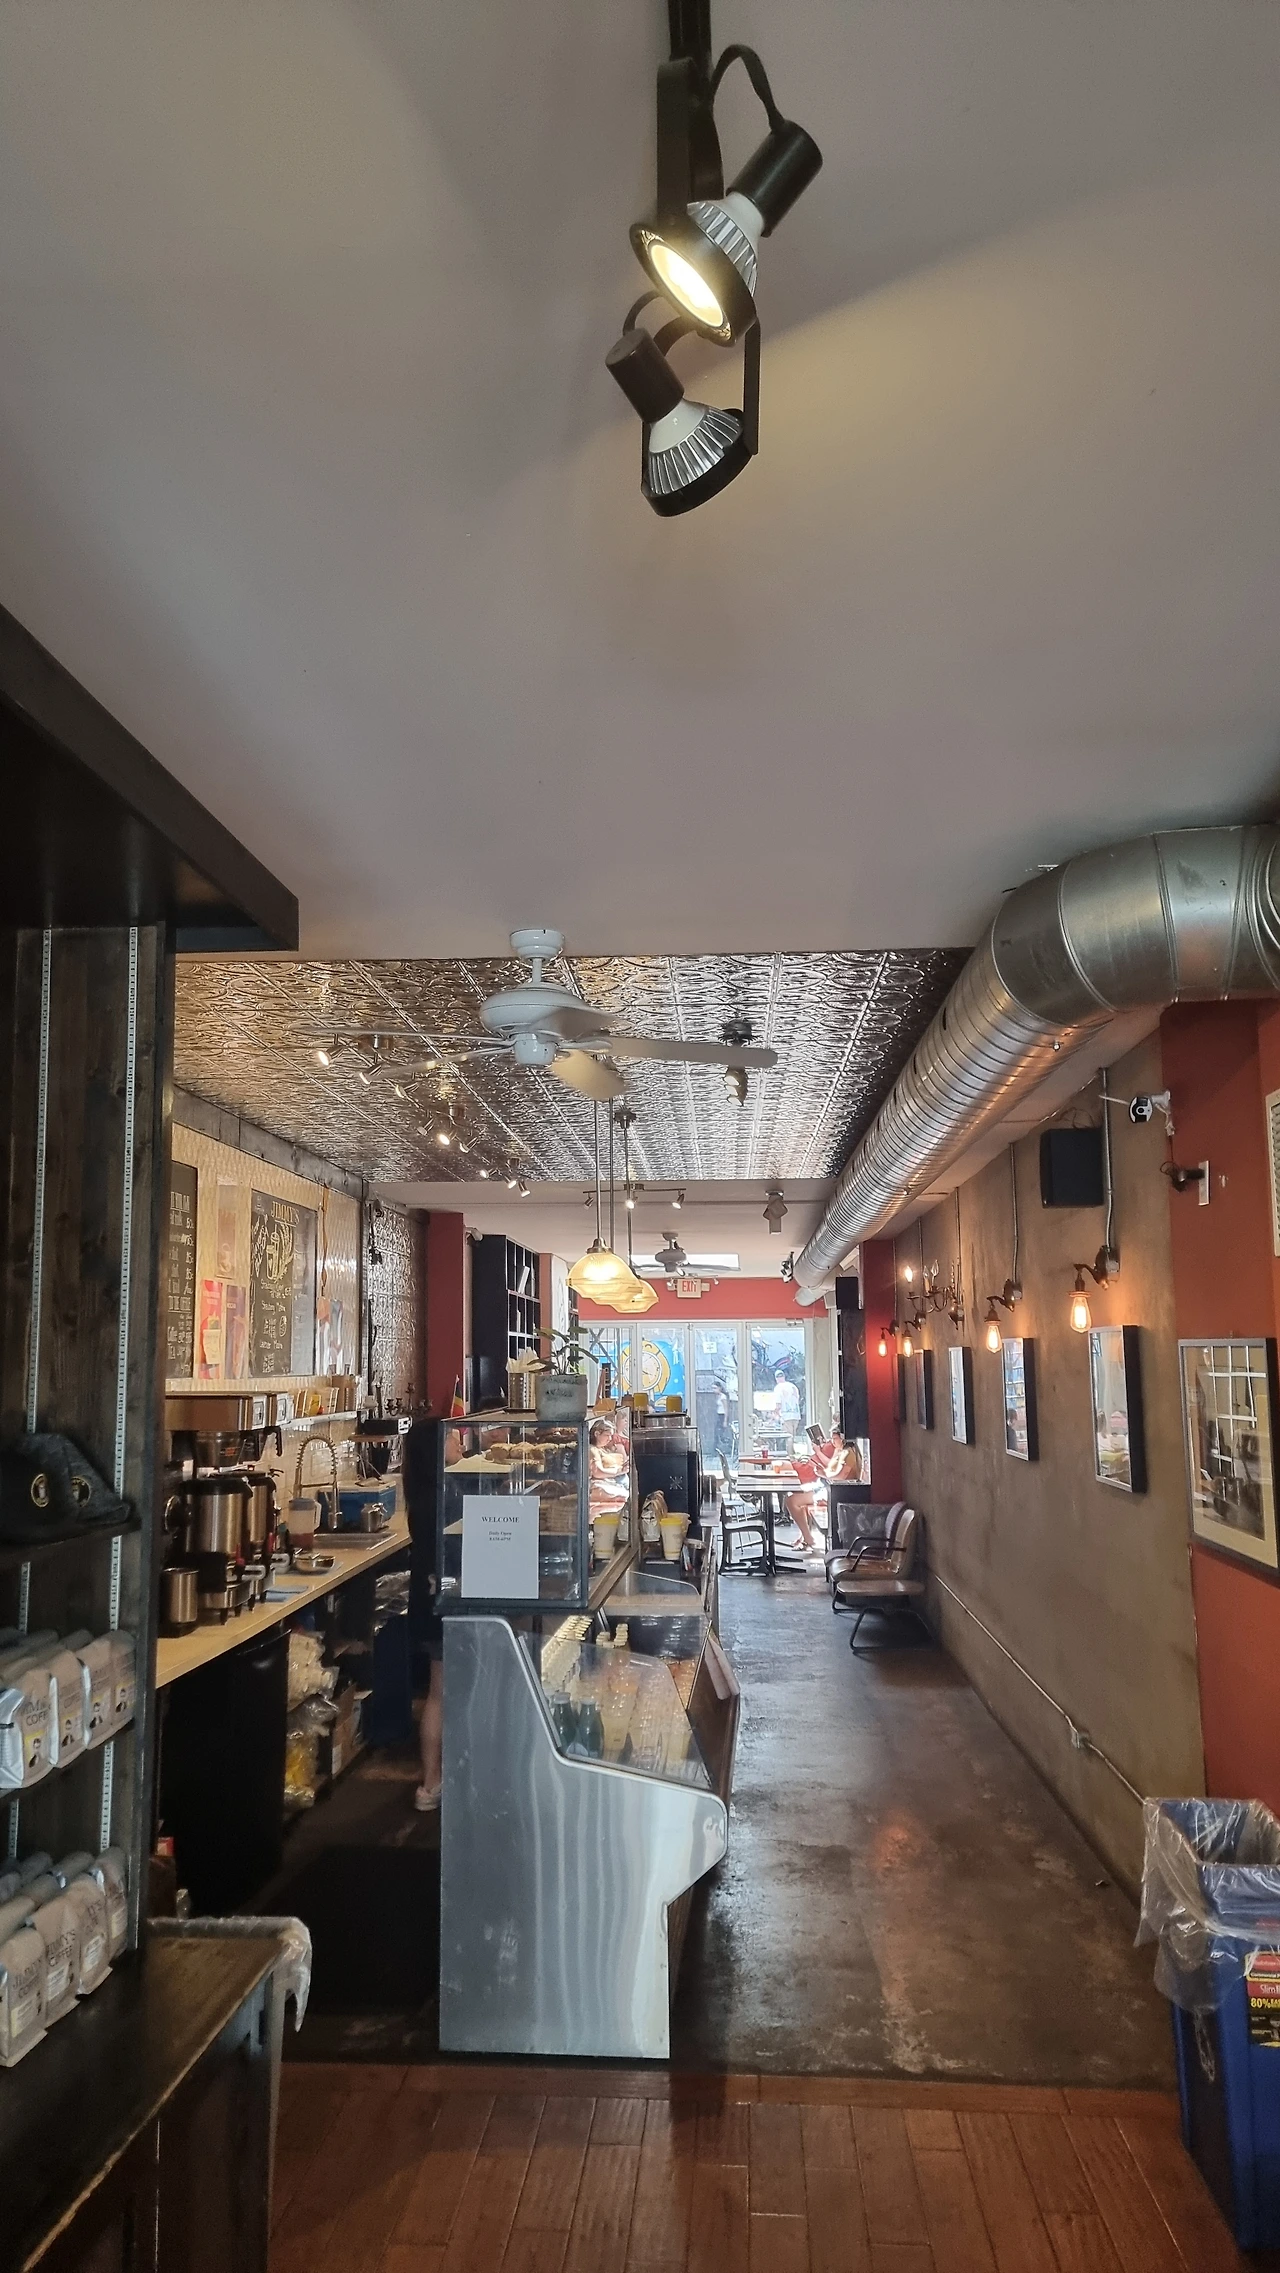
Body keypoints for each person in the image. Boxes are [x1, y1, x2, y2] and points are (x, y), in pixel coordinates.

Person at [402, 1413, 450, 1811]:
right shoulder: (445, 1496)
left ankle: (430, 1783)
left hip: (428, 1600)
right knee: (446, 1694)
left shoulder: (421, 1493)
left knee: (438, 1694)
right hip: (448, 1603)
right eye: (452, 1438)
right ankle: (435, 1782)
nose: (459, 1442)